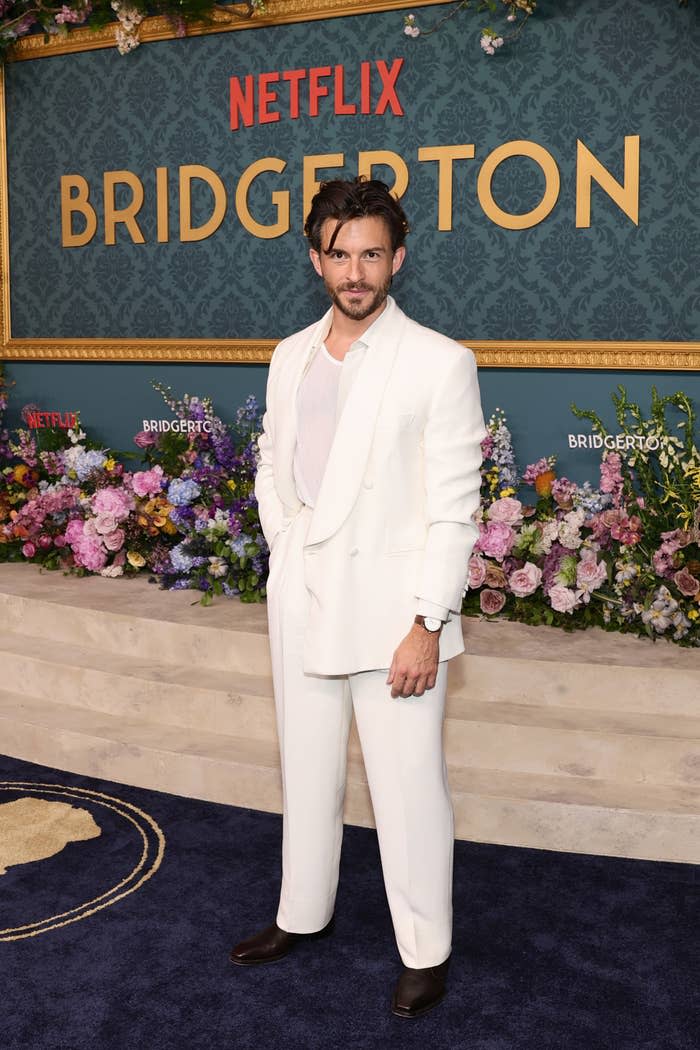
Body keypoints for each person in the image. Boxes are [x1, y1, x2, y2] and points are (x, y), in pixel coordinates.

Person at [230, 176, 486, 1019]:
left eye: (371, 253)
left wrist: (427, 624)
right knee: (305, 772)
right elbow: (273, 460)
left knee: (408, 786)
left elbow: (455, 510)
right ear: (316, 259)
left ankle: (425, 949)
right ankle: (300, 916)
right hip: (302, 593)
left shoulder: (440, 362)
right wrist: (284, 539)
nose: (355, 271)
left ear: (397, 257)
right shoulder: (289, 353)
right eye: (339, 254)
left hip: (394, 615)